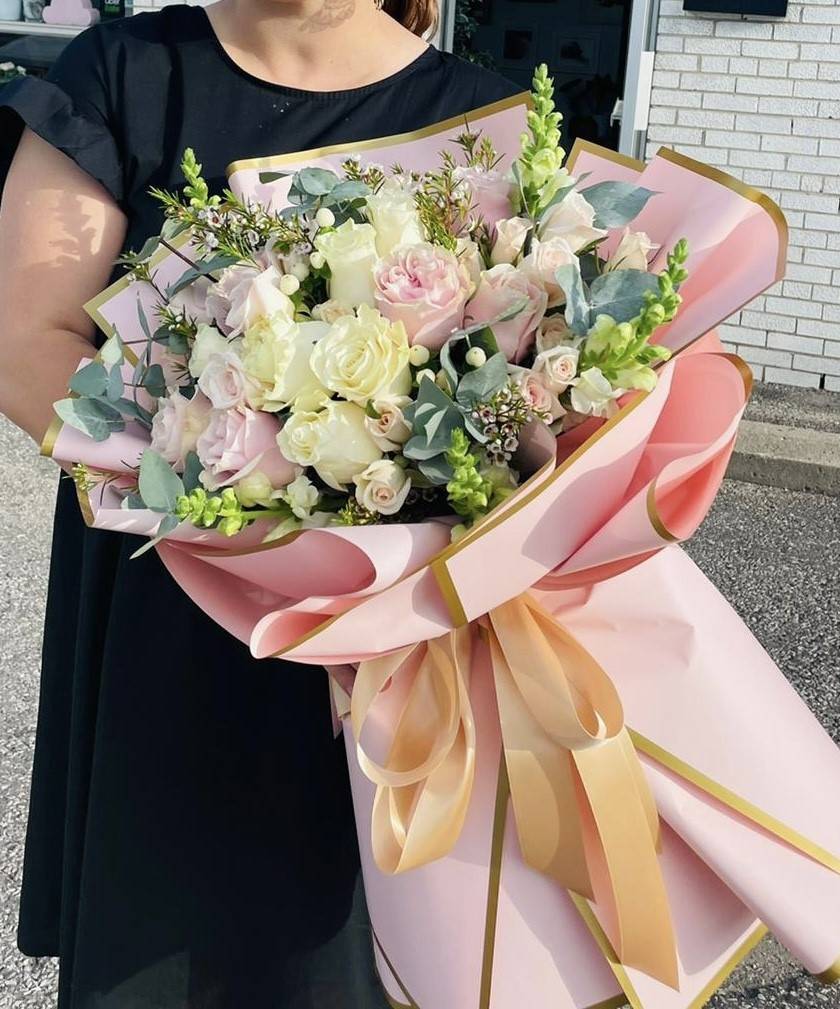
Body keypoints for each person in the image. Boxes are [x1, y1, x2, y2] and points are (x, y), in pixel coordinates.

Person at [0, 4, 521, 1006]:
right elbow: (28, 342)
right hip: (166, 610)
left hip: (383, 662)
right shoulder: (128, 72)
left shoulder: (481, 119)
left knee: (355, 963)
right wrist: (253, 485)